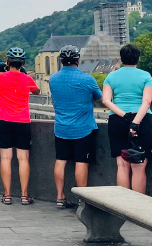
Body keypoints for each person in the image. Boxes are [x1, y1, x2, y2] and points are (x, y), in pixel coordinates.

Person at [0, 47, 40, 205]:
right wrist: (25, 75)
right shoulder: (27, 79)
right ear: (23, 63)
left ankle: (7, 195)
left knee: (5, 158)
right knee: (23, 159)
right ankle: (24, 195)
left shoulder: (0, 77)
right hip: (22, 122)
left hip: (4, 121)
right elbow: (37, 92)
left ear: (8, 62)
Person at [48, 45, 102, 209]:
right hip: (83, 128)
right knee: (81, 162)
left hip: (61, 128)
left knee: (60, 161)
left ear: (61, 61)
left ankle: (59, 197)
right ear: (78, 60)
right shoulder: (87, 79)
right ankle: (81, 199)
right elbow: (99, 97)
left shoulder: (53, 79)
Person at [102, 43, 152, 194]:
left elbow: (106, 100)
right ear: (138, 58)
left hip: (118, 121)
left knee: (122, 166)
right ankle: (137, 209)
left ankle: (123, 207)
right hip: (142, 120)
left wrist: (124, 115)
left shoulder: (111, 76)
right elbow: (147, 101)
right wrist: (135, 122)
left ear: (122, 58)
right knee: (138, 167)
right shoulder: (145, 76)